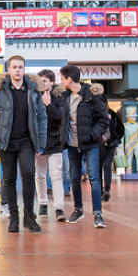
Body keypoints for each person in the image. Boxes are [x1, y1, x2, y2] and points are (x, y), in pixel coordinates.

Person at [0, 55, 46, 233]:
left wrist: (41, 143)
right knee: (9, 179)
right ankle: (14, 218)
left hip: (27, 141)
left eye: (20, 67)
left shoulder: (33, 91)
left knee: (29, 174)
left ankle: (29, 217)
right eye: (14, 67)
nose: (17, 70)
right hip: (6, 142)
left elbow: (42, 117)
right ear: (9, 69)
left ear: (24, 70)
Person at [59, 64, 109, 228]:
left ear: (69, 79)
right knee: (74, 177)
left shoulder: (90, 95)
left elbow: (103, 119)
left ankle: (98, 214)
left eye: (62, 79)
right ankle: (78, 209)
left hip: (90, 144)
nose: (61, 82)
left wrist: (92, 135)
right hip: (72, 145)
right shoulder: (65, 97)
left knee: (94, 177)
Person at [33, 69, 65, 221]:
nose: (42, 84)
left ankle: (59, 208)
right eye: (40, 81)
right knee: (40, 175)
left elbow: (60, 117)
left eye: (45, 81)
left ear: (52, 82)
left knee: (56, 175)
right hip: (39, 142)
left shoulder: (60, 97)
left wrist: (49, 105)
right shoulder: (34, 97)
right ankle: (42, 203)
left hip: (55, 142)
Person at [101, 107, 125, 201]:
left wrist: (116, 139)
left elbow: (120, 128)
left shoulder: (113, 114)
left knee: (107, 165)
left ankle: (106, 189)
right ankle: (101, 191)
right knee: (99, 167)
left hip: (111, 144)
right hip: (99, 144)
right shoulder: (95, 113)